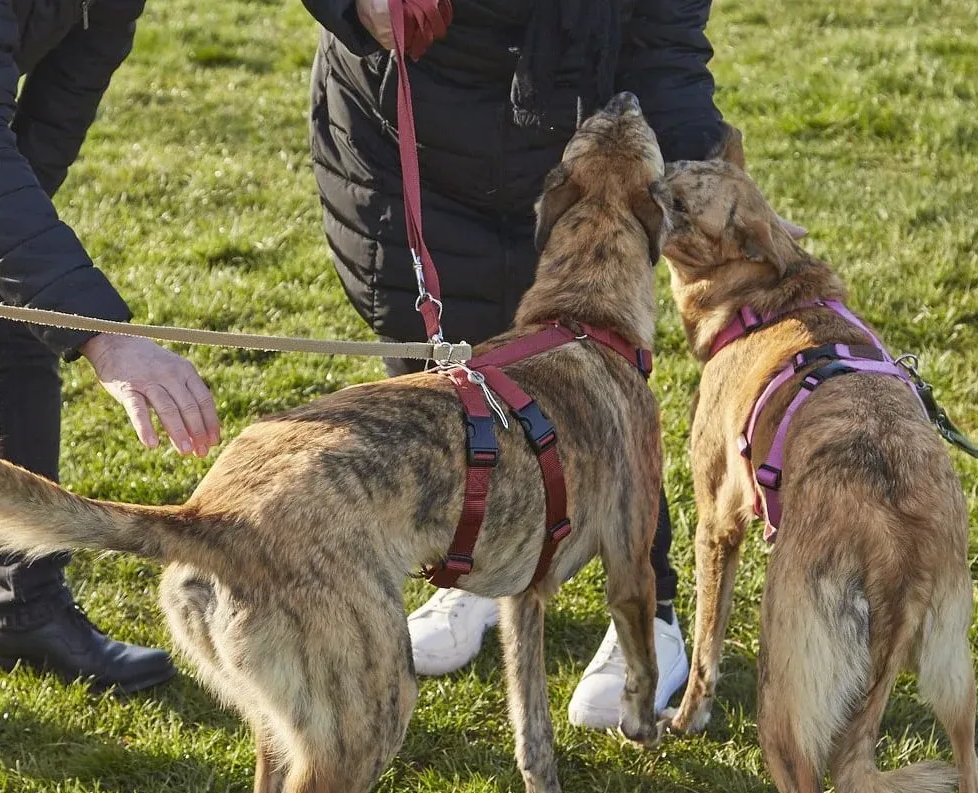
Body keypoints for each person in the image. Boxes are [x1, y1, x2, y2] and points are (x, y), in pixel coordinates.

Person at [298, 0, 727, 729]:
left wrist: (700, 186)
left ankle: (646, 608)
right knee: (446, 365)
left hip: (568, 127)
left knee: (596, 386)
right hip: (407, 123)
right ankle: (472, 568)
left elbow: (668, 43)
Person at [0, 0, 222, 692]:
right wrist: (101, 334)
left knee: (14, 329)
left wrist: (10, 212)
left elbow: (75, 73)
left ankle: (24, 613)